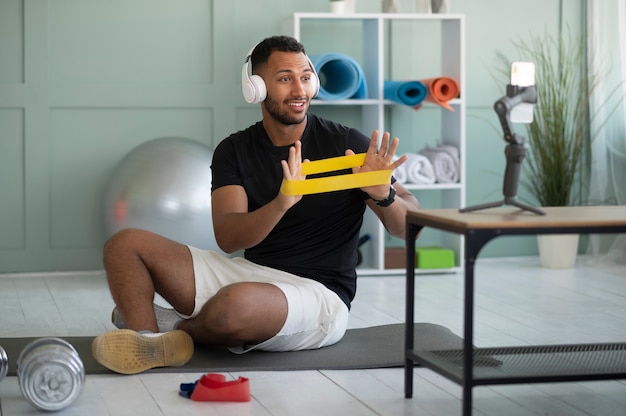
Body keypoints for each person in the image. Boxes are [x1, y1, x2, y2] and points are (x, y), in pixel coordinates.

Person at [92, 35, 420, 374]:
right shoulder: (234, 150)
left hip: (319, 295)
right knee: (124, 244)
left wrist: (384, 195)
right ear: (256, 88)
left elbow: (407, 229)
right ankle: (147, 338)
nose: (299, 90)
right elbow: (229, 238)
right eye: (284, 79)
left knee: (234, 307)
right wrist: (281, 203)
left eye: (306, 77)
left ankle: (176, 330)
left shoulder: (347, 143)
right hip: (250, 275)